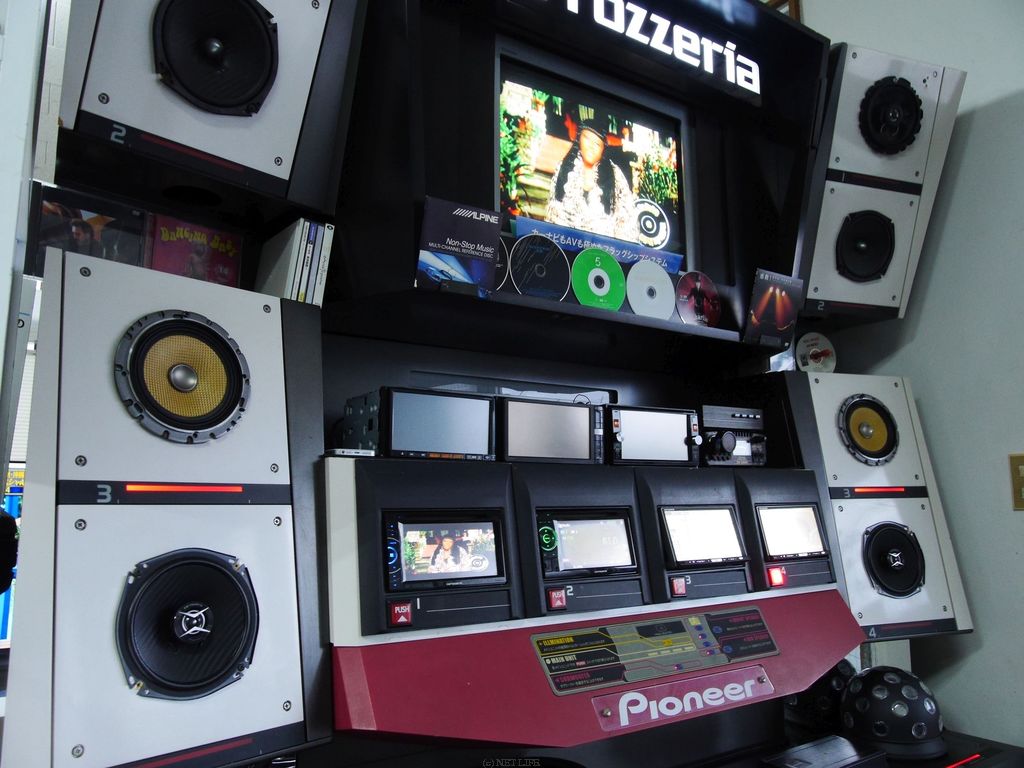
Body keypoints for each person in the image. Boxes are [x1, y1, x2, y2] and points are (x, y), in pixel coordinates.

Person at [546, 123, 639, 242]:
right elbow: (553, 213)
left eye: (597, 144)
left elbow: (627, 221)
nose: (591, 147)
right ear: (579, 139)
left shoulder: (615, 176)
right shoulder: (565, 168)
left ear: (603, 149)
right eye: (587, 139)